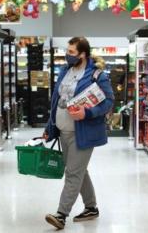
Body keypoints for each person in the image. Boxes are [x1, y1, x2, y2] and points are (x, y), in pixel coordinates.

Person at [43, 37, 114, 229]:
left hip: (83, 132)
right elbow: (56, 100)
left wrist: (87, 112)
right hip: (62, 130)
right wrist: (50, 126)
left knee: (73, 172)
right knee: (79, 170)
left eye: (72, 52)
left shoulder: (97, 75)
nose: (68, 55)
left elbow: (108, 102)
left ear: (82, 54)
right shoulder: (65, 71)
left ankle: (61, 214)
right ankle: (91, 207)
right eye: (67, 51)